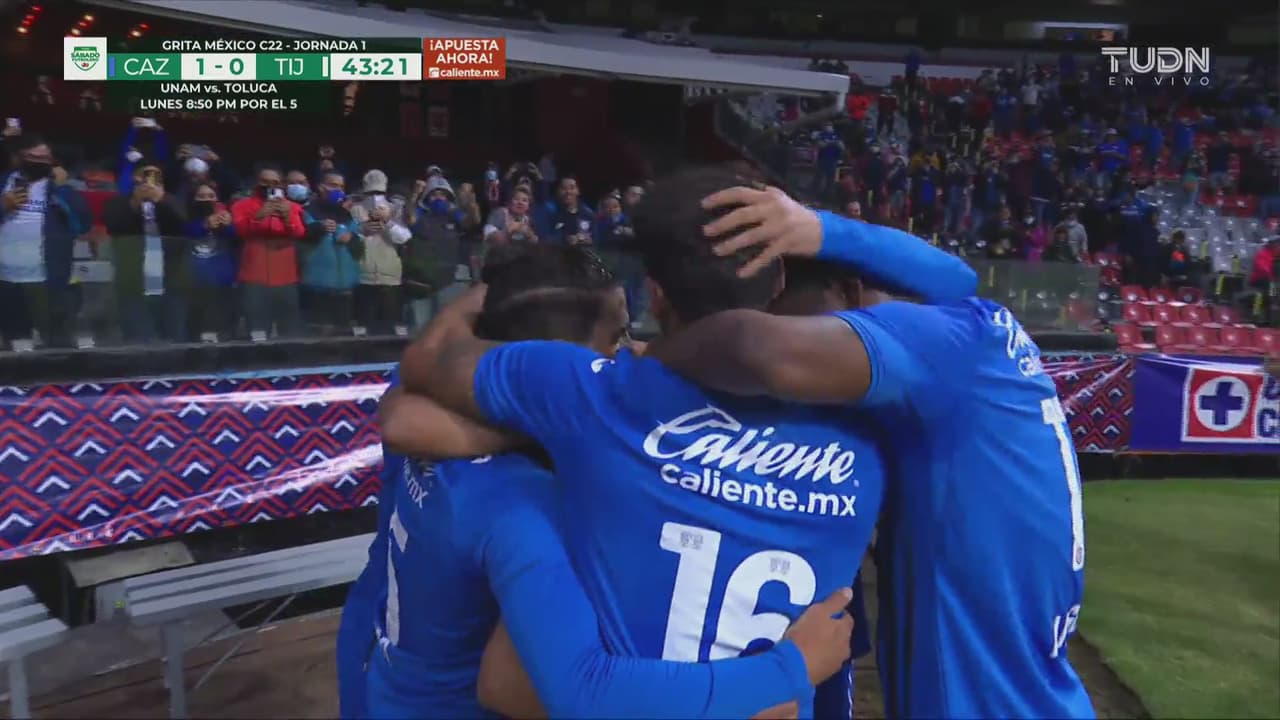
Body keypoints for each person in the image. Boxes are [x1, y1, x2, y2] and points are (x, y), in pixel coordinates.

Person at [391, 165, 973, 717]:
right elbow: (959, 288)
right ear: (779, 279)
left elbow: (427, 364)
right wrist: (820, 229)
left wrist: (487, 292)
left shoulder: (586, 394)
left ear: (656, 295)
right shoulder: (871, 427)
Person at [643, 184, 1094, 719]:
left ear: (849, 293)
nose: (790, 336)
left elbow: (755, 350)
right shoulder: (972, 340)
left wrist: (645, 360)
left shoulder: (942, 341)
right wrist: (821, 231)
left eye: (784, 314)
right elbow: (957, 278)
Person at [362, 244, 855, 718]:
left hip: (385, 686)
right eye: (616, 336)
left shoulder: (421, 405)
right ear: (555, 359)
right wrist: (769, 682)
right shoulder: (535, 504)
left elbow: (411, 391)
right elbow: (522, 690)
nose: (629, 352)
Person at [0, 134, 88, 348]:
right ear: (17, 158)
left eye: (46, 158)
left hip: (47, 277)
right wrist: (3, 206)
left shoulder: (59, 189)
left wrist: (62, 190)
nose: (42, 163)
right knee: (15, 340)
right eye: (34, 158)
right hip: (6, 278)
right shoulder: (3, 183)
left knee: (55, 342)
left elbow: (82, 224)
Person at [103, 162, 190, 343]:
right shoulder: (119, 202)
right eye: (144, 177)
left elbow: (184, 224)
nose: (149, 183)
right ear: (135, 180)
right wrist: (136, 202)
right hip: (134, 280)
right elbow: (114, 226)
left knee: (174, 338)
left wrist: (162, 199)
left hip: (170, 279)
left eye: (155, 178)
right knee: (138, 339)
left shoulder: (174, 201)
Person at [231, 163, 306, 337]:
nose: (270, 186)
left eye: (275, 183)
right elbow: (238, 232)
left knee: (289, 330)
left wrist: (287, 218)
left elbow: (299, 233)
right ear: (256, 183)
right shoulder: (242, 205)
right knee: (257, 329)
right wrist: (259, 216)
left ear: (281, 185)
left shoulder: (293, 207)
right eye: (265, 182)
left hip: (286, 277)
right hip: (254, 277)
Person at [300, 172, 361, 333]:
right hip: (317, 287)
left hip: (346, 287)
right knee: (320, 336)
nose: (339, 190)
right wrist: (319, 228)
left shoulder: (347, 215)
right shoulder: (307, 211)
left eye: (341, 187)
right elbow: (302, 236)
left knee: (344, 336)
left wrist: (352, 236)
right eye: (334, 185)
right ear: (321, 187)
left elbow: (358, 241)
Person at [183, 183, 238, 339]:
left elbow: (235, 237)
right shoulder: (184, 217)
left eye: (211, 196)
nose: (207, 200)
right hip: (194, 284)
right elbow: (185, 232)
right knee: (197, 327)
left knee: (223, 327)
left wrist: (228, 225)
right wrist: (205, 225)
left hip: (222, 282)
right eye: (201, 196)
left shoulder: (224, 217)